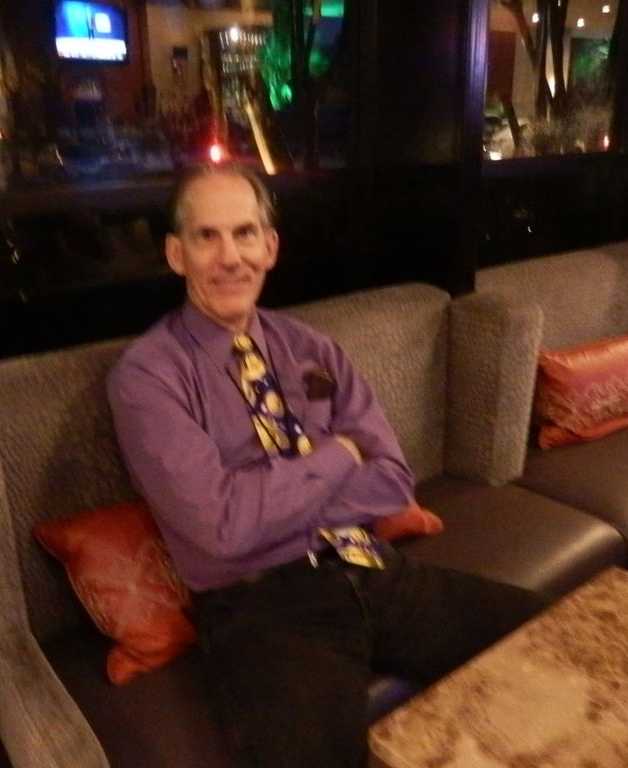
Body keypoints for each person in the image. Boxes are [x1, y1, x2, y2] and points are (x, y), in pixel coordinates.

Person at [107, 164, 548, 768]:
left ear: (270, 247)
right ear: (176, 254)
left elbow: (392, 479)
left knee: (555, 636)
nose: (230, 257)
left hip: (372, 565)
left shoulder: (313, 349)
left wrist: (271, 500)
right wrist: (339, 453)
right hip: (264, 606)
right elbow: (222, 527)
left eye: (244, 233)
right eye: (207, 237)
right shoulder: (147, 377)